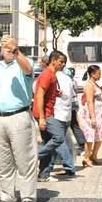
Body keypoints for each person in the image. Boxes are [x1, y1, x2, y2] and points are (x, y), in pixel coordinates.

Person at [0, 35, 38, 202]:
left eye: (10, 46)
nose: (7, 49)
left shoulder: (22, 64)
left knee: (25, 158)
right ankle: (7, 194)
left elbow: (28, 69)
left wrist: (16, 50)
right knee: (2, 159)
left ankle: (28, 195)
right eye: (4, 46)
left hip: (18, 115)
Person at [33, 51, 75, 182]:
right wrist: (42, 117)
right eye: (61, 62)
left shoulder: (52, 75)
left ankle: (43, 175)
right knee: (59, 137)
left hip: (48, 113)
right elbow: (39, 94)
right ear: (53, 61)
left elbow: (47, 93)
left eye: (64, 62)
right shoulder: (47, 75)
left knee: (47, 142)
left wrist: (57, 93)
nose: (63, 65)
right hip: (45, 114)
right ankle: (32, 157)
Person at [77, 64, 102, 166]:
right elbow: (90, 101)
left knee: (100, 136)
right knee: (90, 136)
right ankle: (86, 157)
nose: (100, 75)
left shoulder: (94, 84)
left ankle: (94, 155)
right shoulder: (89, 85)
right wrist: (93, 117)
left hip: (98, 114)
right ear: (92, 74)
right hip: (91, 115)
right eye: (98, 73)